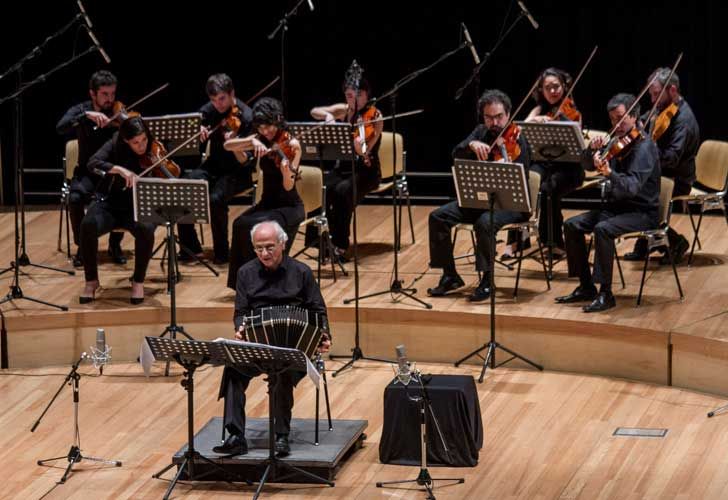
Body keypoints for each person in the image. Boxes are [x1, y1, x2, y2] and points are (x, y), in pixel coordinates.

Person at [213, 221, 331, 457]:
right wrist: (240, 329)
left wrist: (324, 336)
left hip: (294, 349)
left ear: (282, 243)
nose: (264, 254)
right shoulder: (245, 273)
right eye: (258, 248)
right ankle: (236, 435)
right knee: (233, 368)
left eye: (269, 247)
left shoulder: (301, 272)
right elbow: (241, 313)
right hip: (258, 346)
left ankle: (281, 436)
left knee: (281, 371)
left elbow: (319, 312)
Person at [556, 93, 660, 312]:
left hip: (642, 212)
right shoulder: (617, 141)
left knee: (603, 229)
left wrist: (610, 173)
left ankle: (606, 294)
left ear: (634, 116)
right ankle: (586, 286)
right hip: (617, 208)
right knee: (571, 225)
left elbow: (631, 187)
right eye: (613, 119)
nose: (616, 124)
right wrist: (591, 150)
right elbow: (587, 166)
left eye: (621, 118)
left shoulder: (644, 147)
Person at [427, 89, 531, 302]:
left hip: (512, 206)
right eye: (489, 117)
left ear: (508, 114)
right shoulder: (480, 132)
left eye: (499, 117)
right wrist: (470, 145)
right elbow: (456, 153)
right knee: (438, 217)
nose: (494, 123)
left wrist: (506, 166)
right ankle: (449, 275)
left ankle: (487, 280)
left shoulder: (519, 138)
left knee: (484, 223)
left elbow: (522, 173)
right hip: (481, 201)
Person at [224, 97, 305, 289]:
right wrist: (252, 140)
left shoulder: (292, 144)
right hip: (267, 204)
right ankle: (242, 284)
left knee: (254, 225)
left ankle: (262, 282)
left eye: (268, 127)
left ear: (277, 121)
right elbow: (228, 146)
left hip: (288, 206)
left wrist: (286, 172)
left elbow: (288, 187)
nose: (265, 132)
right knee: (239, 223)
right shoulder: (260, 139)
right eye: (260, 128)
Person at [177, 73, 255, 265]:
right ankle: (190, 247)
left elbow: (246, 162)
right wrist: (199, 128)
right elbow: (195, 120)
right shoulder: (211, 110)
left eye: (222, 99)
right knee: (184, 186)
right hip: (214, 165)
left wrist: (235, 144)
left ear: (231, 94)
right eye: (214, 100)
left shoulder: (246, 117)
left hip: (238, 172)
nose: (218, 104)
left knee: (215, 198)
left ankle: (222, 252)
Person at [308, 61, 384, 258]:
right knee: (320, 188)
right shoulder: (344, 110)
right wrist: (328, 117)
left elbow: (368, 149)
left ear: (367, 94)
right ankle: (318, 240)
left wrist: (360, 148)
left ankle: (340, 244)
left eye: (359, 95)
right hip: (343, 168)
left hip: (366, 171)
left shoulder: (375, 116)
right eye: (350, 96)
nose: (355, 100)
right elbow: (314, 111)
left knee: (342, 193)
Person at [624, 67, 698, 264]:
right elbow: (642, 121)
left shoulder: (683, 120)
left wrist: (647, 145)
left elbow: (671, 158)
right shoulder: (661, 109)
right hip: (662, 175)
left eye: (656, 94)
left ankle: (676, 242)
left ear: (672, 90)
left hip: (677, 179)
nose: (652, 98)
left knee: (638, 196)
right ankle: (646, 244)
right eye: (651, 93)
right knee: (633, 186)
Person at [80, 116, 158, 304]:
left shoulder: (153, 149)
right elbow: (93, 162)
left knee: (146, 229)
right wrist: (118, 170)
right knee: (87, 225)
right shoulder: (115, 142)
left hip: (140, 205)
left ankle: (138, 281)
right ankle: (91, 280)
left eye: (144, 140)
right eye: (136, 142)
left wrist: (158, 162)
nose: (141, 146)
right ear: (126, 141)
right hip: (111, 204)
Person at [56, 70, 125, 267]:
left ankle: (115, 245)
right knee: (75, 198)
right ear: (93, 94)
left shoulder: (118, 112)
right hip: (87, 172)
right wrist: (86, 115)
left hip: (112, 172)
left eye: (112, 94)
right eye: (105, 94)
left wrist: (125, 124)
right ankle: (83, 246)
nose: (110, 99)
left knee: (122, 194)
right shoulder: (82, 110)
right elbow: (60, 127)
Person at [519, 67, 585, 258]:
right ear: (541, 90)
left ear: (564, 87)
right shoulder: (539, 109)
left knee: (549, 189)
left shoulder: (572, 112)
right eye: (547, 87)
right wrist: (534, 120)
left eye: (556, 86)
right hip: (546, 163)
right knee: (522, 178)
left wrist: (559, 120)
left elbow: (579, 143)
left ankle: (554, 242)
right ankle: (518, 241)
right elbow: (521, 132)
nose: (553, 91)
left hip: (570, 167)